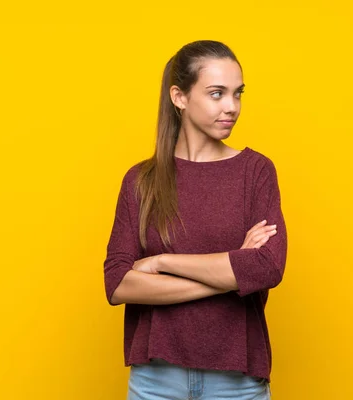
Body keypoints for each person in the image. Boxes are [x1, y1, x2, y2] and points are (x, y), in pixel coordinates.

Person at [103, 40, 287, 400]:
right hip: (156, 380)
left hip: (237, 382)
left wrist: (162, 262)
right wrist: (232, 276)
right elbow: (118, 284)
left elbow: (266, 268)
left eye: (238, 94)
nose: (231, 107)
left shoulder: (255, 171)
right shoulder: (142, 180)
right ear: (180, 97)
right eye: (216, 94)